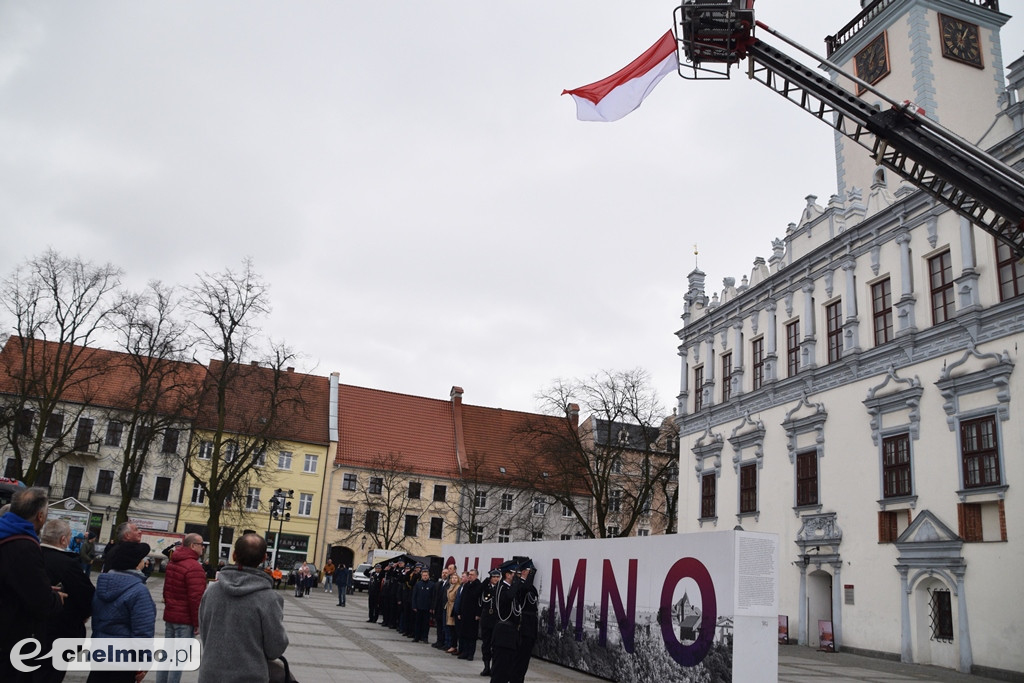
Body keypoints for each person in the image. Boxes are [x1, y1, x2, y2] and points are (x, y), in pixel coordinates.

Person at [198, 533, 288, 683]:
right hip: (251, 676)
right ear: (264, 558)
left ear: (234, 555)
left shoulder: (211, 591)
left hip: (211, 675)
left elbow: (205, 633)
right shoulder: (269, 599)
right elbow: (275, 648)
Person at [0, 487, 64, 683]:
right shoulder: (24, 545)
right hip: (11, 640)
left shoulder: (5, 532)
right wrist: (56, 598)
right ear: (40, 516)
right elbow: (41, 603)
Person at [88, 541, 156, 683]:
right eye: (142, 558)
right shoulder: (139, 591)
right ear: (136, 563)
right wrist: (145, 661)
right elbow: (143, 631)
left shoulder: (102, 584)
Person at [38, 518, 94, 683]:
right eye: (69, 536)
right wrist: (83, 615)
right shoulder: (67, 564)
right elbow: (86, 595)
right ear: (63, 540)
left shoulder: (29, 556)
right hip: (58, 633)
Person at [155, 534, 207, 683]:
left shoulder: (173, 562)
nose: (203, 547)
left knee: (166, 656)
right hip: (185, 620)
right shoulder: (194, 567)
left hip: (171, 615)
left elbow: (166, 590)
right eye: (201, 544)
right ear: (193, 546)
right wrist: (197, 622)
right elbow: (196, 598)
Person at [488, 561, 520, 683]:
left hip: (510, 634)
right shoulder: (501, 587)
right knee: (499, 670)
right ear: (508, 575)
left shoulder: (509, 588)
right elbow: (509, 597)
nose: (516, 577)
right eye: (514, 574)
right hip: (503, 634)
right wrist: (516, 583)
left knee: (507, 670)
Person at [510, 562, 539, 683]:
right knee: (520, 657)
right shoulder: (518, 584)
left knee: (525, 658)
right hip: (523, 627)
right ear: (523, 572)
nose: (531, 573)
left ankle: (519, 679)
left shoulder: (530, 587)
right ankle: (515, 680)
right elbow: (523, 591)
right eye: (529, 571)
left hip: (530, 626)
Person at [478, 568, 501, 677]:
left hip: (496, 620)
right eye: (494, 577)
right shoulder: (485, 588)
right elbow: (478, 591)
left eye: (498, 577)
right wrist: (487, 580)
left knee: (495, 645)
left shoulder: (501, 588)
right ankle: (486, 666)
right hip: (487, 619)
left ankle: (494, 668)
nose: (496, 579)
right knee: (486, 644)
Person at [458, 568, 483, 661]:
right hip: (465, 613)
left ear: (476, 576)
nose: (470, 576)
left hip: (473, 614)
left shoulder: (478, 586)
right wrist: (460, 611)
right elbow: (462, 599)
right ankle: (464, 652)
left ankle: (470, 653)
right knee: (464, 633)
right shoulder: (467, 585)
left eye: (472, 575)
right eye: (469, 574)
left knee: (471, 635)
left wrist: (478, 614)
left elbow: (480, 602)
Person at [410, 567, 436, 643]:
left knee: (426, 624)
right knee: (417, 623)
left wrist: (432, 607)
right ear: (421, 576)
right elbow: (414, 596)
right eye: (424, 575)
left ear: (428, 576)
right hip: (418, 607)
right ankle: (416, 637)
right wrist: (414, 606)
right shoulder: (418, 584)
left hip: (427, 608)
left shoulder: (432, 584)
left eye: (426, 575)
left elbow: (433, 597)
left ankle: (425, 637)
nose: (425, 577)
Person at [444, 572, 461, 654]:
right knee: (449, 628)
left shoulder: (457, 587)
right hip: (449, 607)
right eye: (452, 578)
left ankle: (453, 646)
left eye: (455, 578)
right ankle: (450, 643)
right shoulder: (451, 586)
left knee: (453, 628)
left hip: (453, 607)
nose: (454, 579)